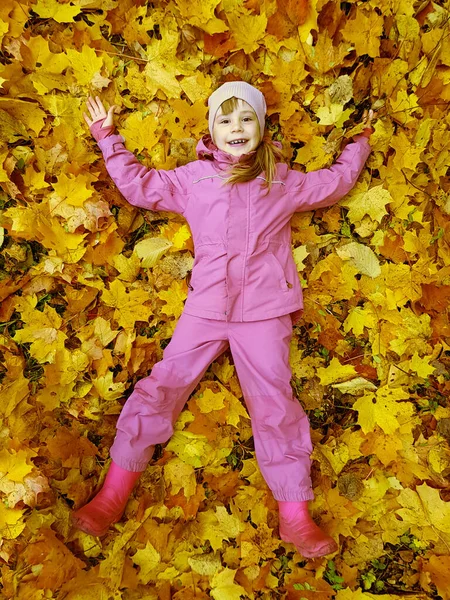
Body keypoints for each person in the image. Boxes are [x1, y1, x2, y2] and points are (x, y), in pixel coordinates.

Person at [72, 81, 374, 557]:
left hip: (264, 312)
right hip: (207, 308)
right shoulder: (193, 180)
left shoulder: (283, 180)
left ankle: (295, 514)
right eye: (226, 119)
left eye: (247, 118)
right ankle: (113, 492)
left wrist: (359, 146)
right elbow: (141, 186)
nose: (237, 127)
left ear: (261, 127)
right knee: (163, 386)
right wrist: (108, 138)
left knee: (276, 404)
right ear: (212, 131)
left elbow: (333, 183)